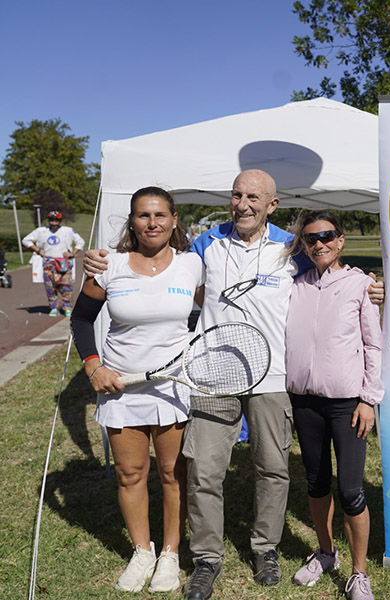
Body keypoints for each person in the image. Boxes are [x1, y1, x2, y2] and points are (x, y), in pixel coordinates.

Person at [84, 169, 383, 600]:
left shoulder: (291, 248)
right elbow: (158, 258)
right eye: (237, 195)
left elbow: (327, 273)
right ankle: (207, 557)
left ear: (272, 205)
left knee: (273, 469)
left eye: (253, 198)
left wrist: (371, 288)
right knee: (203, 471)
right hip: (212, 378)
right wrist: (101, 261)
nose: (243, 204)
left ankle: (265, 548)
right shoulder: (205, 244)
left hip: (272, 379)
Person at [70, 187, 201, 593]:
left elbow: (210, 309)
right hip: (121, 388)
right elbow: (81, 319)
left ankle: (171, 552)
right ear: (132, 221)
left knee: (173, 474)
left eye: (160, 215)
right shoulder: (109, 265)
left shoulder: (192, 264)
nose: (152, 223)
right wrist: (94, 367)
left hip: (172, 387)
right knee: (130, 474)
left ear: (174, 220)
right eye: (143, 215)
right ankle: (142, 551)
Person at [283, 211, 382, 600]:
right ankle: (326, 553)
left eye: (326, 236)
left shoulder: (360, 285)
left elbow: (373, 345)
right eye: (310, 239)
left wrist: (368, 399)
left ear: (341, 240)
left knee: (351, 491)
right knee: (316, 482)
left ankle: (359, 573)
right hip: (305, 402)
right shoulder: (296, 285)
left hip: (347, 405)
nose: (319, 244)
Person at [23, 210, 85, 316]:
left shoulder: (67, 231)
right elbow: (26, 240)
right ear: (48, 220)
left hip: (64, 262)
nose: (54, 223)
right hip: (48, 262)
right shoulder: (41, 231)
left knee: (66, 286)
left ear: (60, 221)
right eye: (52, 220)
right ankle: (54, 307)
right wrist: (38, 250)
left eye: (56, 220)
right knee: (50, 286)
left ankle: (67, 307)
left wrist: (72, 253)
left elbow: (80, 242)